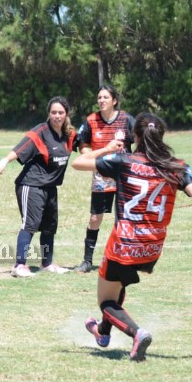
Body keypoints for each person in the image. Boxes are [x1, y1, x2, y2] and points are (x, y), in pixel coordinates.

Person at [71, 112, 192, 362]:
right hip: (152, 247)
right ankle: (102, 333)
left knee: (106, 301)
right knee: (119, 282)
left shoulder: (123, 160)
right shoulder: (178, 166)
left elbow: (78, 163)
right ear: (162, 136)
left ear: (135, 136)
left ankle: (137, 334)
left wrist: (105, 149)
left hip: (124, 244)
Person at [0, 96, 77, 278]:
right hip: (31, 185)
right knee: (30, 224)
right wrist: (4, 160)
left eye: (61, 112)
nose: (57, 116)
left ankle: (46, 264)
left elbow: (85, 144)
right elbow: (21, 147)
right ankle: (19, 265)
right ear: (49, 113)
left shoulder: (69, 134)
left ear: (66, 114)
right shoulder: (41, 131)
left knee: (49, 227)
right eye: (53, 112)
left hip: (50, 187)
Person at [75, 85, 135, 273]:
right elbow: (82, 142)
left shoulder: (126, 119)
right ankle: (87, 261)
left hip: (124, 175)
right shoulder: (91, 120)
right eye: (99, 97)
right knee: (95, 218)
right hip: (101, 175)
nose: (101, 100)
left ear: (114, 101)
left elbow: (140, 141)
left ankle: (124, 259)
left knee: (124, 218)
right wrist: (92, 156)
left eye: (105, 97)